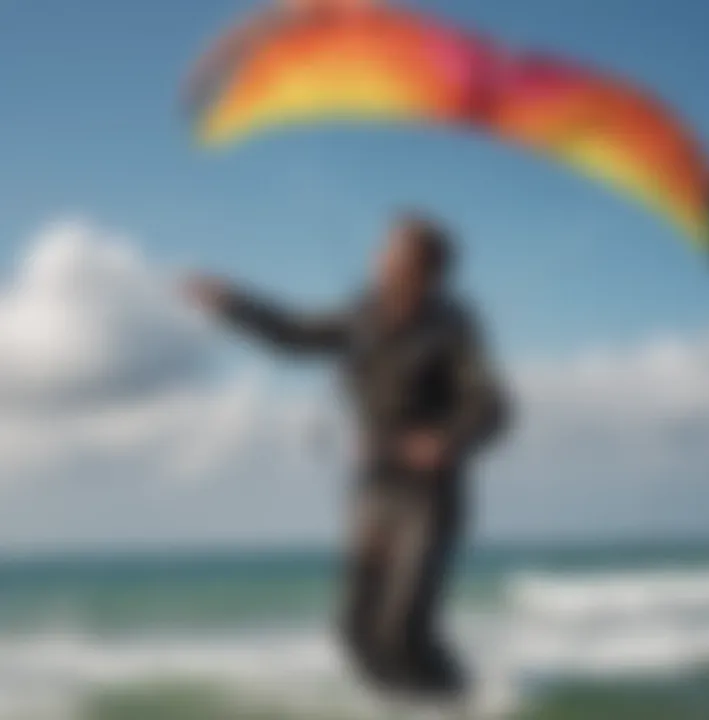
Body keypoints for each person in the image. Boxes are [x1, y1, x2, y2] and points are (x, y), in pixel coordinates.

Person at [184, 212, 512, 701]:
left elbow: (493, 407)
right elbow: (293, 334)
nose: (379, 261)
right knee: (356, 636)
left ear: (427, 270)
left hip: (428, 497)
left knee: (403, 630)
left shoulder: (453, 327)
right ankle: (414, 709)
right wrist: (233, 305)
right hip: (375, 492)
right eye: (383, 252)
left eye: (394, 255)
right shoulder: (361, 316)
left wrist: (447, 440)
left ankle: (461, 703)